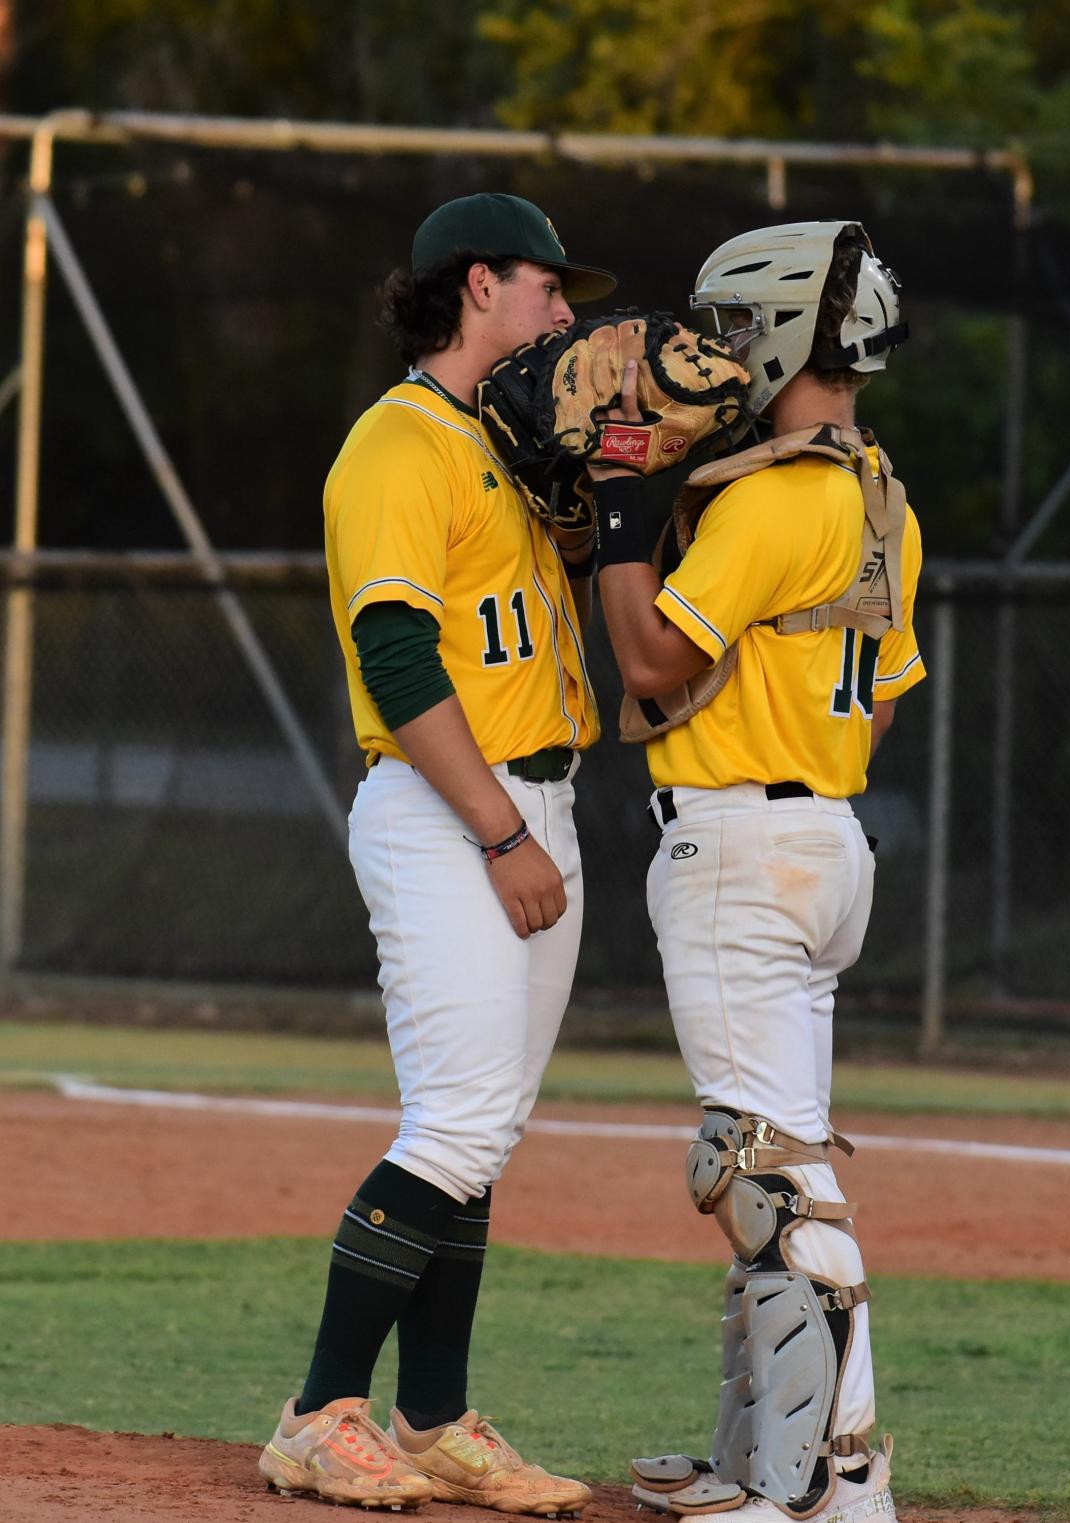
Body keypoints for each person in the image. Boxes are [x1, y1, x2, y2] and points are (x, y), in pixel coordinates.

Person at [258, 193, 614, 1512]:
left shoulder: (505, 453)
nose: (564, 312)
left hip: (533, 807)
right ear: (476, 286)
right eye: (545, 286)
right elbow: (396, 656)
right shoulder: (395, 446)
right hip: (447, 809)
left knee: (483, 1135)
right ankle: (316, 1413)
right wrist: (504, 831)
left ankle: (432, 1418)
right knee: (457, 1124)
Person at [590, 221, 923, 1523]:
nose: (717, 355)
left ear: (787, 334)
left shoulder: (775, 494)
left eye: (735, 330)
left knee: (762, 1175)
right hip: (825, 837)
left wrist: (622, 528)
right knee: (783, 1166)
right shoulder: (876, 489)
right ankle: (829, 1475)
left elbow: (653, 666)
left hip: (739, 845)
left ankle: (784, 1490)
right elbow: (881, 699)